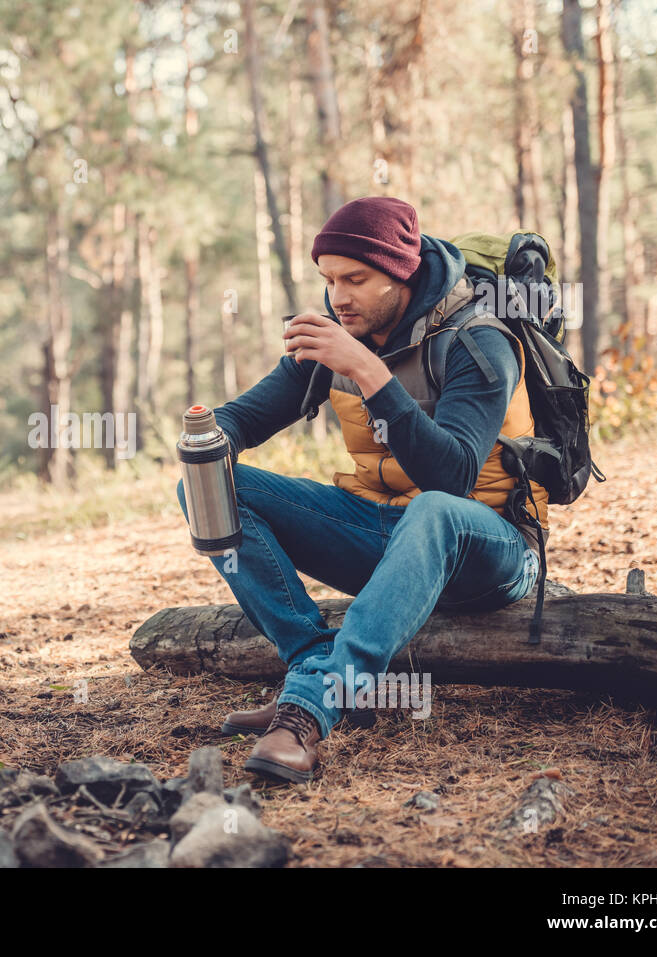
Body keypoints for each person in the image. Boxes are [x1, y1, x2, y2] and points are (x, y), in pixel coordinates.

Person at [175, 196, 549, 784]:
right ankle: (312, 661)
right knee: (210, 488)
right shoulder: (342, 335)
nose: (338, 296)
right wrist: (207, 435)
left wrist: (370, 372)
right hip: (387, 536)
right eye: (328, 280)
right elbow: (246, 419)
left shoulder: (481, 341)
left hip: (490, 547)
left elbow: (451, 478)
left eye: (356, 279)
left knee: (434, 510)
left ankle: (309, 709)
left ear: (401, 273)